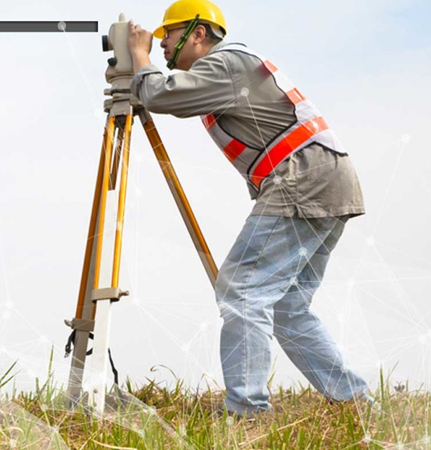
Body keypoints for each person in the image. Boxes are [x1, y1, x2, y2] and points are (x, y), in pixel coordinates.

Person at [126, 0, 375, 418]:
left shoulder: (224, 63)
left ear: (198, 34)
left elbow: (162, 95)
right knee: (286, 306)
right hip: (324, 179)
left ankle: (248, 413)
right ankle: (354, 401)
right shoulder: (228, 67)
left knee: (242, 291)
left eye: (168, 34)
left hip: (303, 178)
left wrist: (138, 56)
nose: (162, 44)